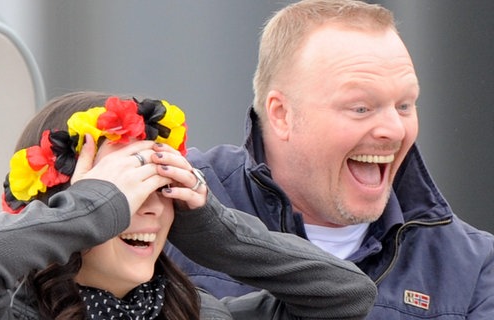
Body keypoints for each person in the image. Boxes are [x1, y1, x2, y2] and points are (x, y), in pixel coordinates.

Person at [165, 0, 494, 319]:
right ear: (282, 114)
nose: (395, 129)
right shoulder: (168, 205)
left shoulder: (472, 266)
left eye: (405, 105)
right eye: (361, 108)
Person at [0, 91, 376, 320]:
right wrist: (96, 207)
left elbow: (344, 294)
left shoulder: (206, 314)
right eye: (121, 185)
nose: (145, 205)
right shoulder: (4, 313)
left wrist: (209, 228)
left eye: (158, 184)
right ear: (62, 202)